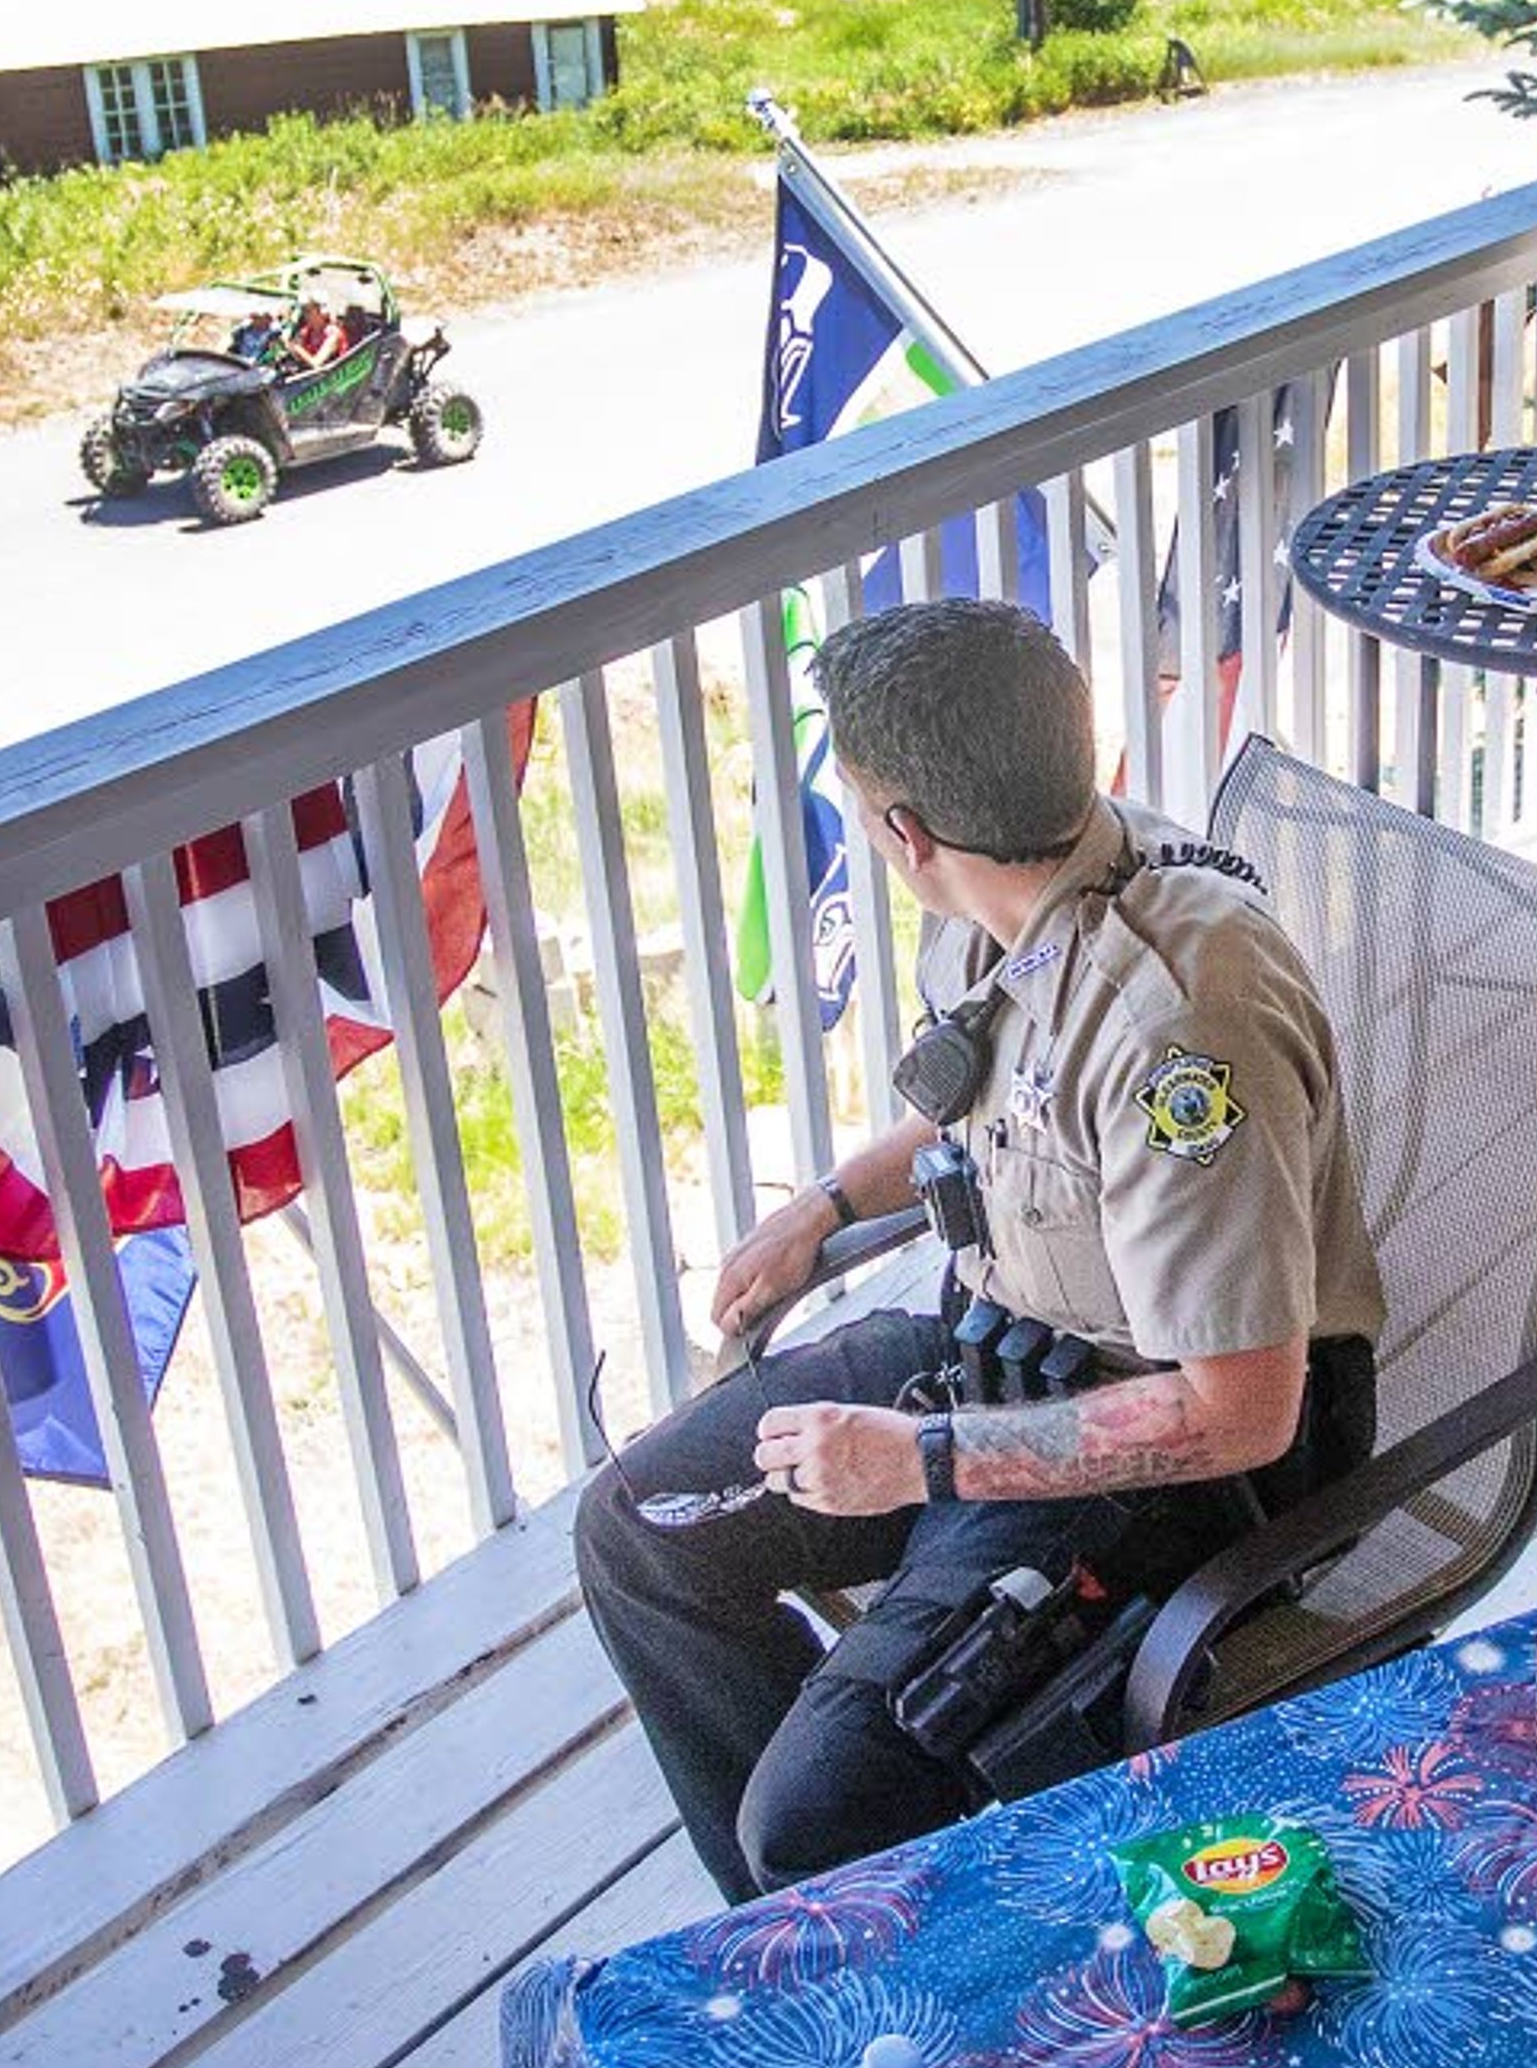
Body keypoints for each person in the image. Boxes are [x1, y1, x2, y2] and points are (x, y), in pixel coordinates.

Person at [576, 596, 1386, 1904]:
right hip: (1002, 1339)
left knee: (813, 1813)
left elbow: (1241, 1415)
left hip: (1189, 1449)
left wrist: (920, 1466)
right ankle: (817, 1936)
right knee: (640, 1528)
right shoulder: (1010, 887)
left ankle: (844, 1902)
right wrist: (825, 1209)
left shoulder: (1184, 1035)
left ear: (902, 833)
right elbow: (998, 1090)